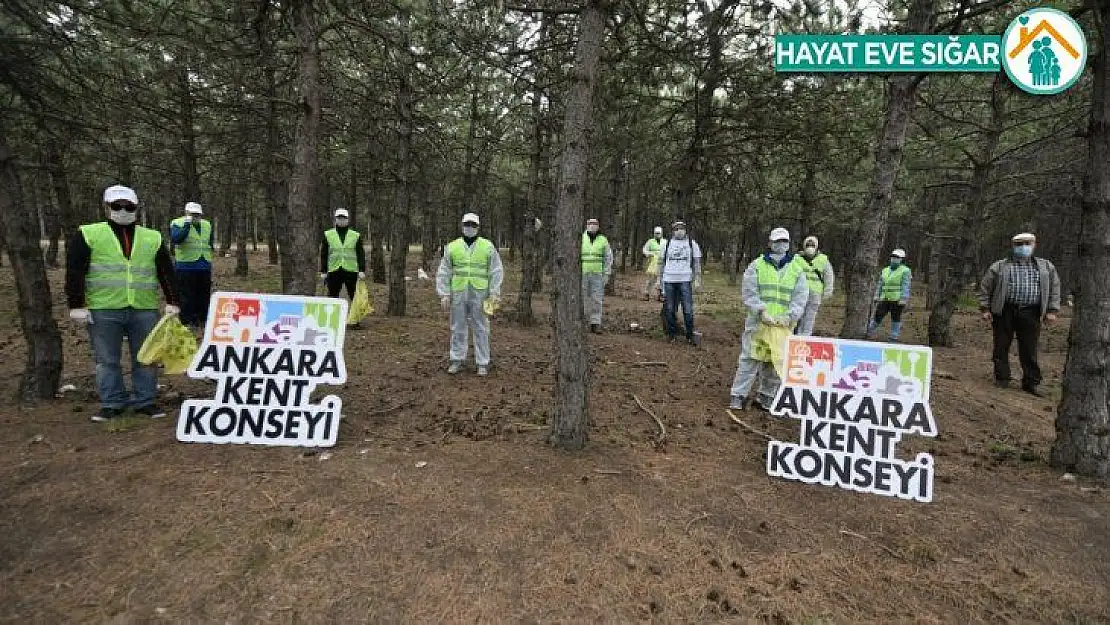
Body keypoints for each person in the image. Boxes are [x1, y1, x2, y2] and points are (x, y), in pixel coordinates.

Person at [65, 185, 180, 422]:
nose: (123, 210)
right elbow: (75, 271)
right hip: (104, 308)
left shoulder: (152, 237)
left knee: (146, 356)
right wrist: (76, 304)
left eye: (129, 206)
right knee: (107, 360)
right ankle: (112, 403)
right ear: (107, 207)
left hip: (144, 307)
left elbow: (166, 272)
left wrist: (173, 301)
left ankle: (145, 401)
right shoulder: (89, 233)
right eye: (117, 206)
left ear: (137, 208)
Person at [729, 227, 809, 410]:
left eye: (784, 241)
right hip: (759, 324)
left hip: (782, 326)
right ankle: (738, 395)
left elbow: (801, 296)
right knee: (750, 358)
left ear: (789, 244)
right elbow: (749, 292)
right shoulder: (757, 265)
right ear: (770, 243)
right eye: (777, 241)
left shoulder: (797, 269)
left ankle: (766, 396)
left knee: (775, 361)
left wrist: (790, 316)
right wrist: (760, 311)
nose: (780, 245)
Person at [978, 233, 1061, 397]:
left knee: (1029, 348)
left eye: (1027, 243)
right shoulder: (1000, 266)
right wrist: (985, 309)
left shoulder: (1045, 267)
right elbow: (985, 288)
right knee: (1001, 345)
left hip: (1031, 312)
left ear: (1034, 244)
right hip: (1004, 310)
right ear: (1013, 246)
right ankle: (1002, 378)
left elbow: (1055, 288)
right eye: (1019, 244)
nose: (1023, 247)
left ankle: (1031, 382)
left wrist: (1052, 310)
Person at [436, 213, 504, 376]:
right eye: (467, 224)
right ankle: (456, 359)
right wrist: (444, 293)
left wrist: (495, 293)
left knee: (481, 327)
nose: (470, 227)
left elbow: (496, 270)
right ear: (462, 225)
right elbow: (444, 271)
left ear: (478, 227)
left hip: (480, 293)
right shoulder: (452, 246)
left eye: (473, 225)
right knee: (457, 326)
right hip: (458, 292)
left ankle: (482, 362)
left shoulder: (487, 246)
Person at [169, 201, 214, 329]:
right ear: (186, 213)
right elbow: (177, 239)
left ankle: (202, 318)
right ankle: (187, 320)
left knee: (203, 295)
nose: (196, 217)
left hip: (204, 265)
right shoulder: (177, 223)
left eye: (198, 214)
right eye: (193, 214)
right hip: (186, 266)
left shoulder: (207, 224)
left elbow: (209, 241)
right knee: (186, 295)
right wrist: (187, 225)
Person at [657, 220, 702, 345]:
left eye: (681, 228)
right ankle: (671, 335)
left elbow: (697, 262)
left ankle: (690, 335)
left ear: (685, 230)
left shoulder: (691, 244)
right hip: (669, 279)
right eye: (676, 228)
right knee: (670, 309)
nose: (679, 230)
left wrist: (698, 279)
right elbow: (660, 263)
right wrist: (658, 280)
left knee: (688, 309)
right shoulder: (667, 244)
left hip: (685, 279)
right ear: (672, 231)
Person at [318, 208, 366, 301]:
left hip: (351, 270)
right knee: (332, 296)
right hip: (334, 269)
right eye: (339, 218)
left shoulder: (355, 235)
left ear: (348, 219)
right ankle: (332, 315)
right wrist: (323, 270)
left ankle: (355, 315)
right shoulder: (328, 234)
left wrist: (362, 269)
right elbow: (324, 254)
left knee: (354, 296)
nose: (341, 220)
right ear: (335, 219)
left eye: (343, 218)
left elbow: (360, 253)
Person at [866, 248, 911, 342]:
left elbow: (905, 285)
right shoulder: (885, 270)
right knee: (878, 316)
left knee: (895, 318)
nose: (894, 259)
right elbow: (880, 284)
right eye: (893, 257)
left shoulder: (905, 271)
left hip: (897, 300)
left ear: (902, 259)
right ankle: (868, 332)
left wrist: (904, 298)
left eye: (897, 257)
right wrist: (876, 295)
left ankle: (894, 336)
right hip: (884, 298)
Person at [795, 235, 834, 336]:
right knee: (797, 315)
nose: (810, 246)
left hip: (815, 294)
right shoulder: (797, 259)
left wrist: (828, 291)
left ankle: (806, 336)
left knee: (810, 317)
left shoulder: (823, 260)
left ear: (816, 246)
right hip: (799, 293)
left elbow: (828, 276)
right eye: (808, 244)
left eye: (812, 245)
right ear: (804, 246)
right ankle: (796, 335)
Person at [581, 218, 612, 333]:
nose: (592, 226)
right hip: (583, 273)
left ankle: (595, 323)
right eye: (590, 223)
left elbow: (608, 258)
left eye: (594, 224)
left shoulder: (603, 240)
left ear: (598, 226)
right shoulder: (581, 238)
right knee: (583, 298)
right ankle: (584, 321)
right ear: (586, 225)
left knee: (597, 299)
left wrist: (607, 273)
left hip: (598, 274)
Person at [641, 226, 666, 301]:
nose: (657, 234)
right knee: (650, 279)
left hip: (662, 263)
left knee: (661, 279)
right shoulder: (650, 241)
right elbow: (644, 250)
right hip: (652, 263)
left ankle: (661, 294)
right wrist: (649, 253)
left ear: (661, 233)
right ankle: (646, 293)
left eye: (659, 233)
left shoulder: (665, 242)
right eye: (656, 233)